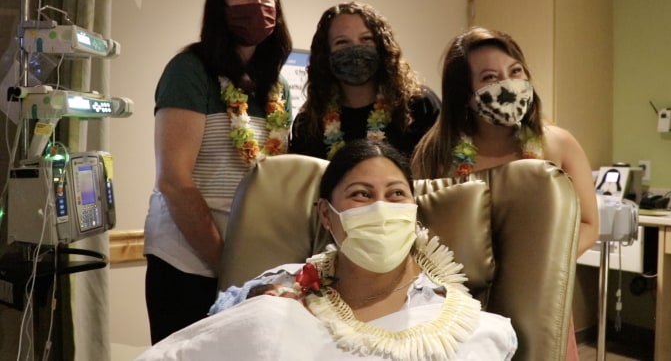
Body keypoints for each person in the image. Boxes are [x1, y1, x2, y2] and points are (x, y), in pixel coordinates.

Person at [136, 140, 517, 361]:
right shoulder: (282, 284)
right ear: (325, 215)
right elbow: (219, 335)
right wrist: (260, 303)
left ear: (413, 210)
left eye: (396, 194)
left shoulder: (452, 318)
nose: (381, 209)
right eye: (361, 195)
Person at [411, 27, 599, 361]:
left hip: (541, 300)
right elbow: (418, 233)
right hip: (462, 306)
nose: (507, 84)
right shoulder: (436, 154)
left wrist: (539, 269)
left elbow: (587, 223)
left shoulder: (559, 144)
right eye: (489, 77)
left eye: (515, 71)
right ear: (464, 94)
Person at [142, 0, 293, 344]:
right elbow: (175, 181)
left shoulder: (277, 89)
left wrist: (252, 268)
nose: (258, 5)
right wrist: (226, 264)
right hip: (187, 264)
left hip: (250, 267)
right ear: (221, 7)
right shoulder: (189, 70)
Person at [289, 2, 440, 160]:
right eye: (342, 42)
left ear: (381, 47)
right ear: (326, 55)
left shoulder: (419, 105)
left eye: (366, 39)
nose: (355, 48)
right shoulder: (309, 122)